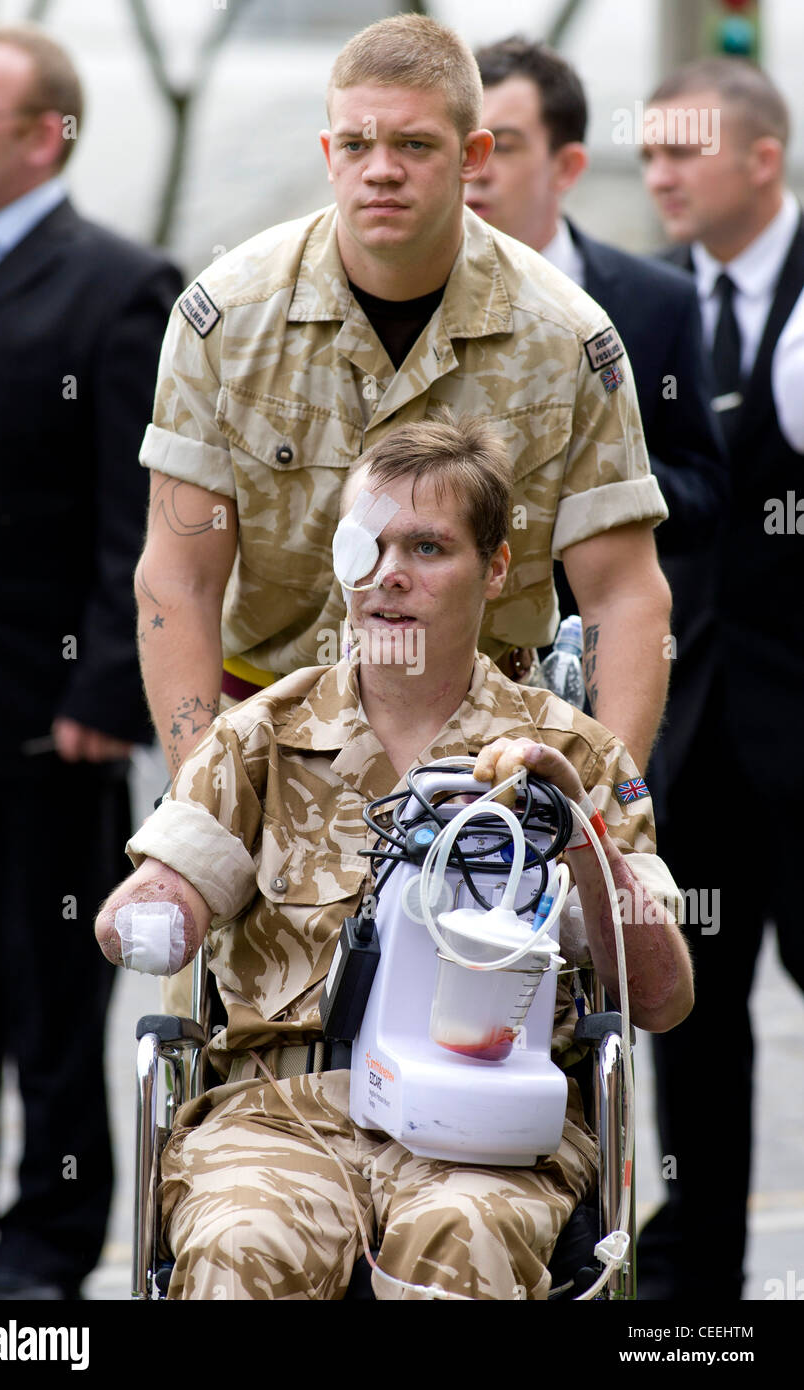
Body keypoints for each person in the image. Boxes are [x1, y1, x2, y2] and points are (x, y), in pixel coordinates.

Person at [96, 414, 693, 1301]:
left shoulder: (573, 754)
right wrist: (152, 911)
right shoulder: (261, 737)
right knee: (241, 1245)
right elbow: (159, 897)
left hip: (484, 1124)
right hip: (280, 1117)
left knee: (466, 1242)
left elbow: (663, 998)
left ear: (495, 569)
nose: (389, 576)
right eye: (365, 546)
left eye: (427, 546)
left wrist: (576, 829)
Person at [136, 12, 673, 792]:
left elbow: (623, 593)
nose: (380, 169)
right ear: (329, 155)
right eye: (356, 145)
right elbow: (178, 577)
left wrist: (601, 808)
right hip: (270, 750)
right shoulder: (225, 319)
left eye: (414, 145)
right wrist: (201, 794)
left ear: (473, 157)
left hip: (491, 768)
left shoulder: (565, 337)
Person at [0, 21, 182, 1298]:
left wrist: (107, 690)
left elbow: (136, 517)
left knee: (46, 1015)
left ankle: (42, 1262)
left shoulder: (119, 285)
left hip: (43, 724)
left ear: (44, 135)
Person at [637, 57, 804, 1301]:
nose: (659, 177)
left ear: (762, 157)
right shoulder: (645, 311)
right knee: (686, 1027)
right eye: (646, 157)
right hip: (689, 733)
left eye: (681, 152)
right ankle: (697, 1297)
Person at [470, 36, 726, 709]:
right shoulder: (401, 300)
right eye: (467, 143)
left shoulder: (657, 299)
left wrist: (585, 480)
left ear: (569, 165)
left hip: (598, 686)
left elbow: (705, 493)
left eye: (506, 144)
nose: (478, 167)